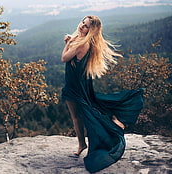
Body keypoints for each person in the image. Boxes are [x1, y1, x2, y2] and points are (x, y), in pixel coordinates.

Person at [61, 15, 144, 173]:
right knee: (87, 111)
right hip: (79, 84)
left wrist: (66, 44)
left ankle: (87, 142)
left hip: (75, 87)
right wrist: (72, 41)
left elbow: (64, 58)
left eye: (85, 26)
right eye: (82, 23)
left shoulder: (82, 44)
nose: (81, 26)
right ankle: (84, 142)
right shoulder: (85, 42)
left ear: (91, 30)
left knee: (80, 115)